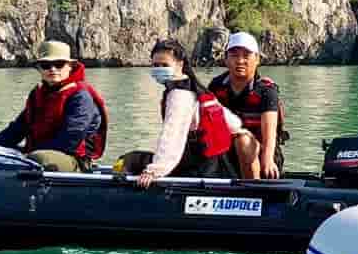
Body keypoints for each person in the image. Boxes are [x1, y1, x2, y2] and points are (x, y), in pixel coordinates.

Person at [119, 38, 243, 186]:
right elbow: (233, 122)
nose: (159, 69)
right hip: (215, 165)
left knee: (126, 161)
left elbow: (172, 135)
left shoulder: (179, 95)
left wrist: (154, 171)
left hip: (196, 168)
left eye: (164, 65)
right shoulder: (197, 89)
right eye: (155, 65)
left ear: (180, 65)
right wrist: (242, 132)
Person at [0, 38, 108, 172]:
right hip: (37, 152)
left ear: (70, 66)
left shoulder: (80, 96)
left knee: (38, 159)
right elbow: (17, 129)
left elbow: (70, 140)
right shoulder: (38, 94)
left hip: (73, 158)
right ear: (39, 69)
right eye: (46, 65)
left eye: (59, 64)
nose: (52, 69)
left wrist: (27, 155)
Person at [209, 31, 286, 179]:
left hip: (262, 151)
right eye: (234, 55)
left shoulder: (266, 90)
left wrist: (268, 159)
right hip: (227, 150)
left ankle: (254, 191)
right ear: (226, 59)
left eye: (246, 56)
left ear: (257, 59)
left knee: (243, 141)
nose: (240, 61)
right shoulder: (217, 86)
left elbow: (269, 131)